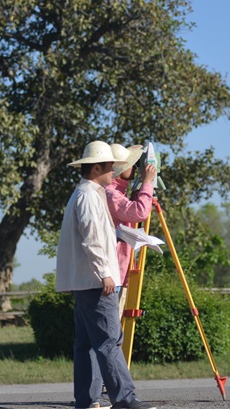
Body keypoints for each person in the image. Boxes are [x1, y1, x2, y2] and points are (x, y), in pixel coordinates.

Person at [56, 140, 158, 409]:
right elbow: (93, 239)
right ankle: (125, 398)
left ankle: (87, 399)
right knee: (109, 340)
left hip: (85, 280)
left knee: (88, 342)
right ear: (97, 167)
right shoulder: (90, 196)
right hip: (95, 280)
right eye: (111, 167)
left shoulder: (87, 193)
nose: (114, 171)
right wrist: (105, 273)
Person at [106, 144, 158, 314]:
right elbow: (139, 213)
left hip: (119, 272)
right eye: (132, 164)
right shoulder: (111, 194)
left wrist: (140, 191)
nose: (136, 168)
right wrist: (147, 183)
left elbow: (129, 216)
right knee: (112, 332)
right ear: (121, 169)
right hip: (113, 275)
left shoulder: (117, 192)